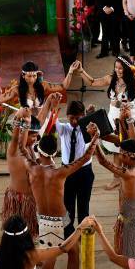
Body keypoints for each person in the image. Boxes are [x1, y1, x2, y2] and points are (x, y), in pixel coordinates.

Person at [14, 109, 99, 269]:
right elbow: (85, 158)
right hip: (62, 220)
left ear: (39, 150)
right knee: (73, 251)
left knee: (48, 258)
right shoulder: (60, 172)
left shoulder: (32, 167)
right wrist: (95, 138)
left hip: (43, 220)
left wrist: (26, 125)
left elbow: (21, 146)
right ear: (55, 152)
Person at [79, 56, 135, 189]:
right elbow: (92, 82)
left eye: (120, 68)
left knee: (129, 149)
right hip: (113, 119)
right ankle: (116, 179)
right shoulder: (111, 78)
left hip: (129, 121)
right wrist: (81, 71)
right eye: (116, 68)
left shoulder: (133, 82)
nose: (118, 70)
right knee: (116, 150)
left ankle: (132, 176)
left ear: (127, 69)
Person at [92, 107, 135, 269]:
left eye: (122, 154)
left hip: (131, 219)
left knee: (130, 252)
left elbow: (103, 162)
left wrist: (95, 139)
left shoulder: (128, 174)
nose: (119, 157)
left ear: (126, 156)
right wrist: (129, 121)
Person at [0, 61, 77, 129]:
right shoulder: (16, 89)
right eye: (29, 76)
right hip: (26, 124)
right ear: (23, 75)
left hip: (43, 122)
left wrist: (71, 71)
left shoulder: (43, 86)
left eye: (34, 76)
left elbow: (63, 86)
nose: (32, 79)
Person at [54, 101, 96, 249]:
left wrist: (90, 116)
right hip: (67, 172)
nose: (74, 121)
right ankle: (69, 235)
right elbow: (52, 120)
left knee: (84, 206)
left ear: (82, 116)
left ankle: (84, 234)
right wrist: (52, 105)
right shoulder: (63, 129)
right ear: (67, 116)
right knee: (67, 206)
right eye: (71, 117)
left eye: (77, 118)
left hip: (85, 171)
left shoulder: (86, 130)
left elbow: (97, 131)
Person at [1, 108, 41, 238]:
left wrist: (47, 104)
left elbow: (41, 120)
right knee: (13, 232)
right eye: (32, 135)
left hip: (29, 199)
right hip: (15, 198)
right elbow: (16, 135)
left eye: (36, 136)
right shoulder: (14, 149)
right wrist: (20, 118)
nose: (35, 139)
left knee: (29, 233)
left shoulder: (30, 150)